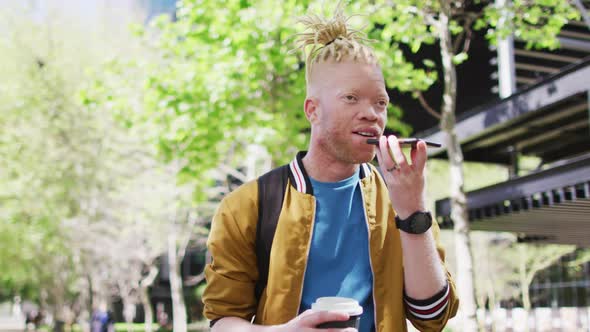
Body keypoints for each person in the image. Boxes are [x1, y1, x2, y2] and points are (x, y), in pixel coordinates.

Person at [203, 3, 459, 331]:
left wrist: (412, 213)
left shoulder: (399, 198)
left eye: (380, 102)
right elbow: (222, 320)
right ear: (313, 110)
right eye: (351, 98)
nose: (372, 114)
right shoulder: (247, 207)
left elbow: (432, 316)